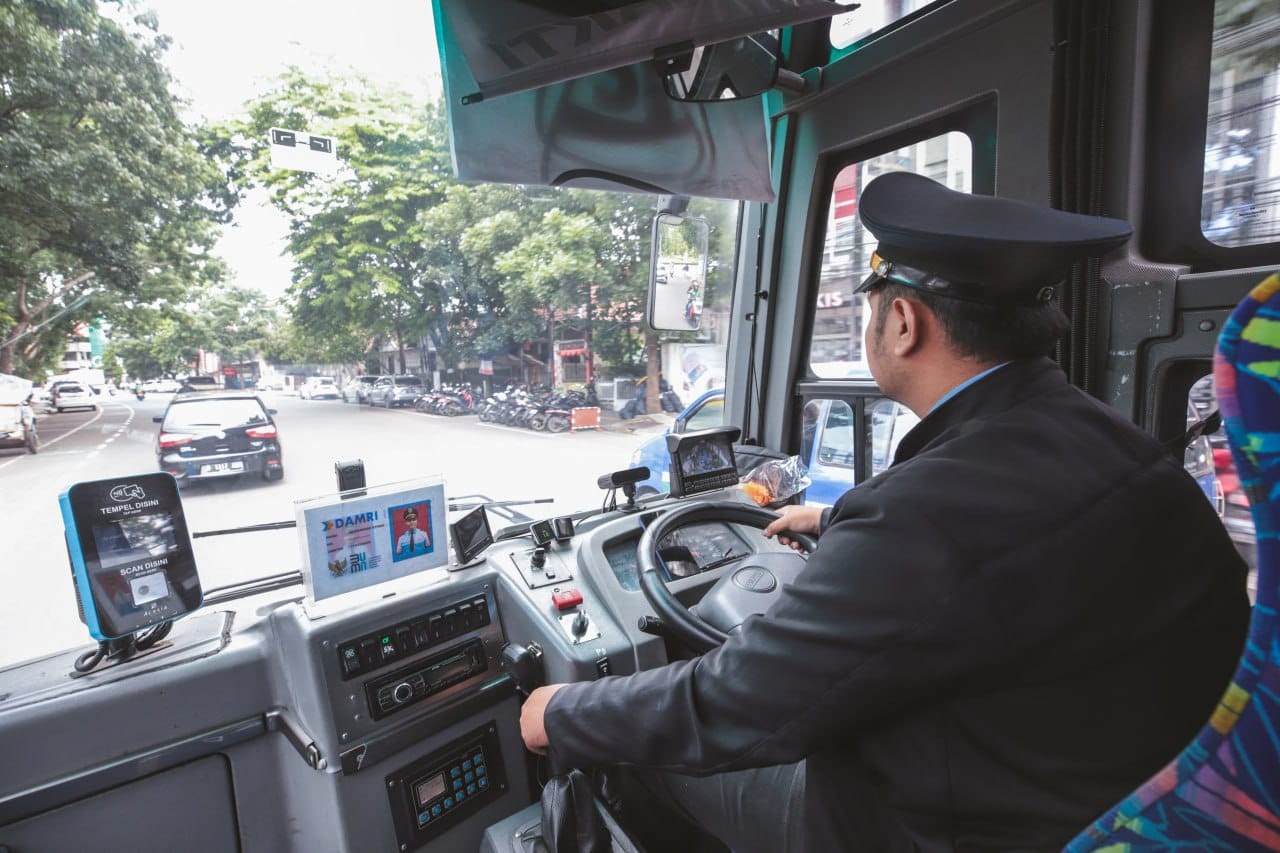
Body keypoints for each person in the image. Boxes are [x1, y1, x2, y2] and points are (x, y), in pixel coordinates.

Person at [519, 172, 1251, 852]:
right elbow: (1006, 557)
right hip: (1099, 803)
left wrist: (560, 712)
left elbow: (733, 704)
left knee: (632, 752)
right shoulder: (1110, 439)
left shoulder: (922, 517)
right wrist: (837, 525)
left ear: (902, 321)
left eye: (870, 306)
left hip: (935, 829)